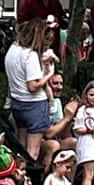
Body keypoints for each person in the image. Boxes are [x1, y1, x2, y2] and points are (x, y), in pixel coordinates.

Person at [4, 19, 61, 169]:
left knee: (21, 147)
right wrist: (50, 74)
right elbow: (33, 86)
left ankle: (17, 176)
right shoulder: (30, 55)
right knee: (32, 152)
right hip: (34, 105)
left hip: (17, 103)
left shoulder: (13, 50)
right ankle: (28, 181)